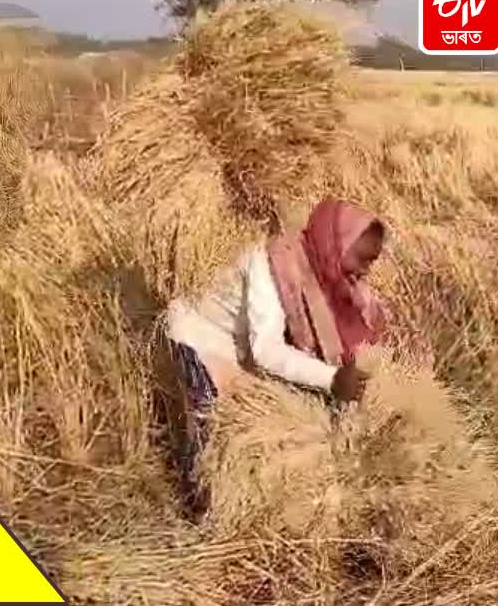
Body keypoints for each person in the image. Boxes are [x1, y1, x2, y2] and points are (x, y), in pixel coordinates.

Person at [165, 198, 388, 519]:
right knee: (209, 461)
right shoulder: (272, 266)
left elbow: (359, 325)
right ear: (338, 244)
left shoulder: (327, 277)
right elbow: (267, 350)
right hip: (201, 344)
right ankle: (195, 526)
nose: (365, 270)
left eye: (372, 261)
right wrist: (333, 379)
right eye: (362, 258)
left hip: (240, 359)